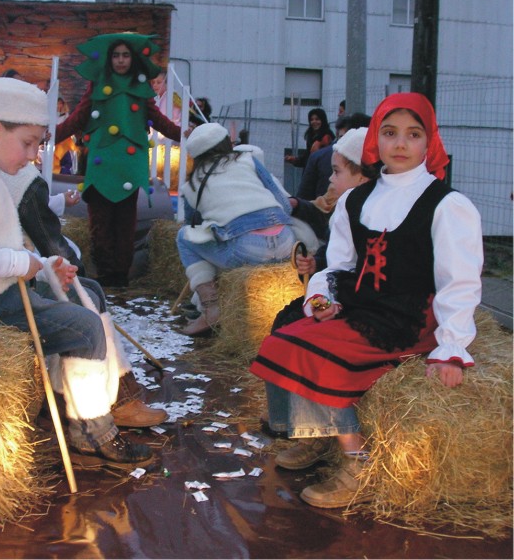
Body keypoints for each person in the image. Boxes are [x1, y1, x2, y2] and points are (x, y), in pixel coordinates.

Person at [250, 92, 483, 509]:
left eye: (413, 134)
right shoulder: (357, 199)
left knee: (319, 354)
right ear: (377, 139)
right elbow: (336, 265)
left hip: (409, 317)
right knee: (282, 335)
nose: (400, 143)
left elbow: (459, 281)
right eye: (389, 132)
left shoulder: (448, 205)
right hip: (361, 307)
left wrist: (451, 349)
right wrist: (321, 299)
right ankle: (315, 436)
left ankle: (358, 464)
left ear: (429, 142)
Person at [0, 77, 153, 465]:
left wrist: (42, 267)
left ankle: (68, 406)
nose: (33, 154)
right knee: (86, 328)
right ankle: (92, 432)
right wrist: (27, 264)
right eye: (28, 143)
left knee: (79, 305)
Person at [0, 160, 168, 428]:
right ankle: (93, 403)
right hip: (7, 281)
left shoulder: (4, 172)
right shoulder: (18, 179)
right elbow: (48, 240)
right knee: (81, 301)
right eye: (29, 141)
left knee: (92, 290)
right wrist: (68, 271)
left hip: (19, 267)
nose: (34, 152)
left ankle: (118, 392)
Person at [55, 33, 184, 288]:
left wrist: (185, 134)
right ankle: (104, 276)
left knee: (125, 223)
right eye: (116, 55)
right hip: (102, 163)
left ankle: (120, 278)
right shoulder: (97, 85)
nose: (121, 60)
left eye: (125, 55)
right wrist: (50, 134)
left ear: (132, 58)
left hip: (128, 165)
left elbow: (157, 119)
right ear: (109, 58)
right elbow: (79, 117)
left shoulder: (140, 87)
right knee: (100, 222)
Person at [177, 123, 297, 336]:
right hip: (287, 242)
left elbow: (192, 226)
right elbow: (284, 205)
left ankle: (210, 307)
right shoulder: (248, 159)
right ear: (226, 143)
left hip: (246, 249)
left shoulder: (192, 184)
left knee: (184, 237)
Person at [271, 127, 378, 330]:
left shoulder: (372, 217)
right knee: (286, 320)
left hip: (358, 303)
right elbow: (332, 255)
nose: (330, 178)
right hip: (334, 294)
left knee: (292, 326)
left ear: (362, 178)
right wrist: (315, 264)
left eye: (336, 172)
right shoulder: (343, 209)